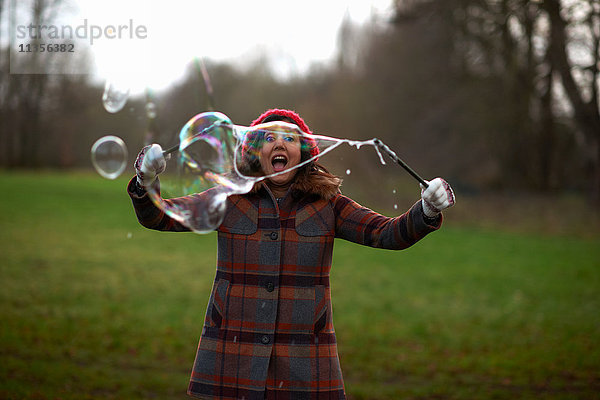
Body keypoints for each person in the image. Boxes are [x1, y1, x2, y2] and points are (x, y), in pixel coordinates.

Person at [127, 109, 455, 400]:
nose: (280, 144)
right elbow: (159, 216)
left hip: (305, 362)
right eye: (269, 137)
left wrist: (426, 209)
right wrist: (146, 180)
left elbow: (389, 234)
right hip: (233, 353)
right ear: (255, 152)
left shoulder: (330, 205)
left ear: (305, 153)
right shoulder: (229, 199)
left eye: (290, 138)